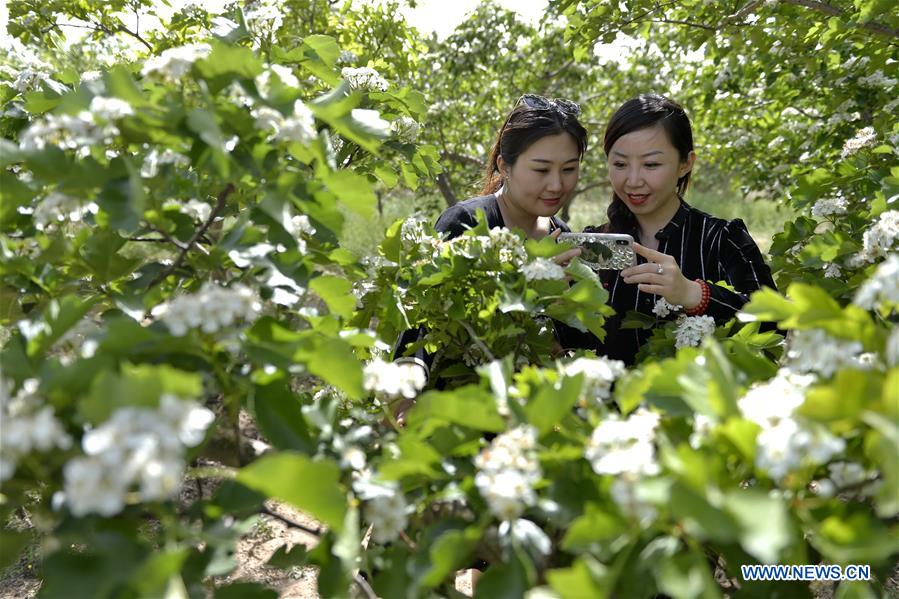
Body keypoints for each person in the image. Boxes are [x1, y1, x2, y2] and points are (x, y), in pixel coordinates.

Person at [391, 94, 588, 404]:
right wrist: (403, 400)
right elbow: (419, 322)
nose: (556, 185)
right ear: (504, 166)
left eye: (569, 169)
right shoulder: (466, 222)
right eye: (541, 170)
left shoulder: (561, 236)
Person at [581, 93, 776, 364]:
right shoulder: (595, 243)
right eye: (620, 164)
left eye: (651, 164)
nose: (633, 180)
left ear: (686, 163)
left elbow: (775, 324)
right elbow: (576, 340)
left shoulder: (721, 239)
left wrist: (694, 294)